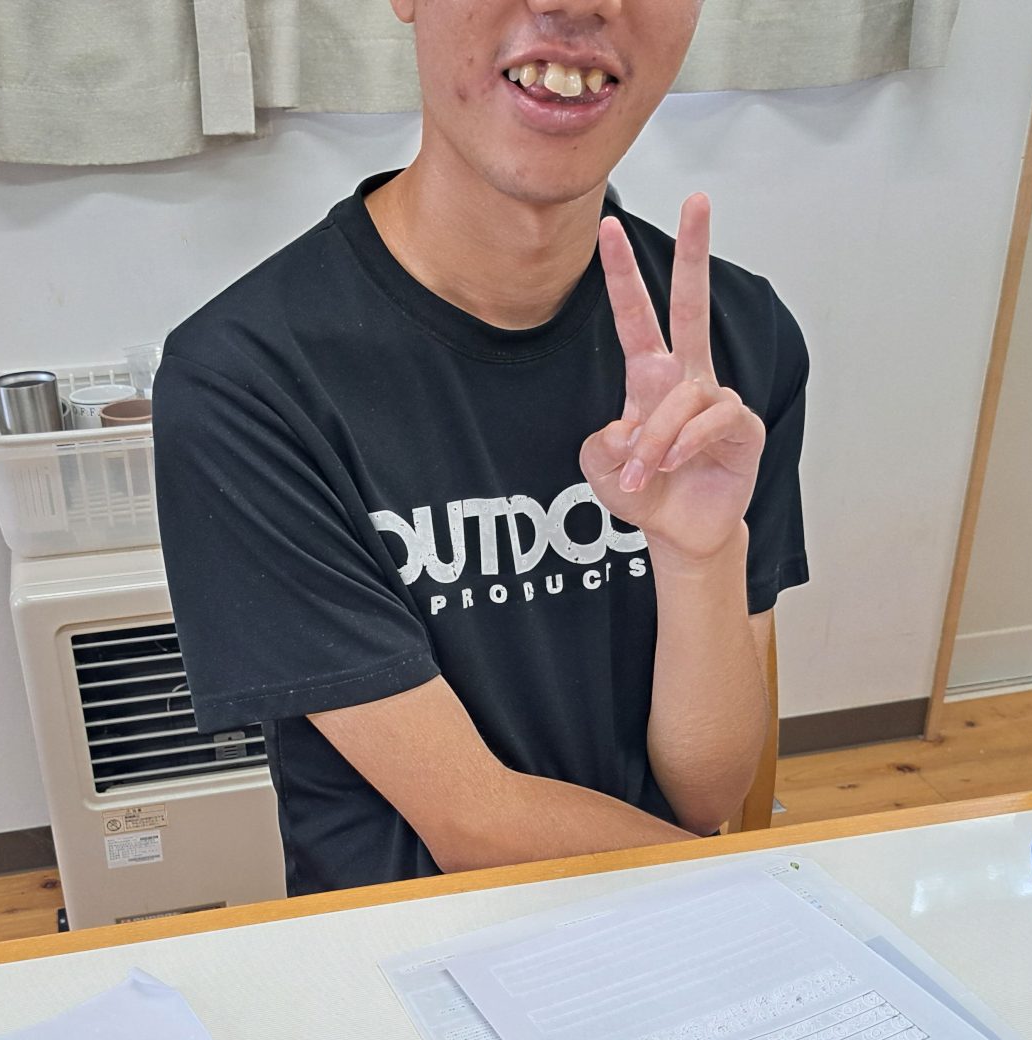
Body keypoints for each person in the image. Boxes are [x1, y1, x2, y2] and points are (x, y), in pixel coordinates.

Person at [155, 0, 809, 896]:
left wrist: (700, 558)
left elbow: (707, 793)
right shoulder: (246, 381)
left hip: (654, 915)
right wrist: (752, 896)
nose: (580, 3)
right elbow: (474, 820)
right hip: (403, 940)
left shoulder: (734, 342)